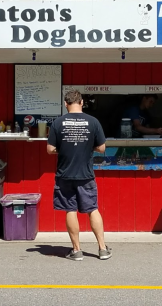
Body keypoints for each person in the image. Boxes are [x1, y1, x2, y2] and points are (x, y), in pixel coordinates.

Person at [47, 89, 112, 261]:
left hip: (65, 174)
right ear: (82, 102)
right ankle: (103, 249)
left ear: (65, 104)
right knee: (92, 209)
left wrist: (64, 147)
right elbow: (102, 147)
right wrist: (88, 146)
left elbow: (50, 149)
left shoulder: (58, 123)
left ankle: (77, 251)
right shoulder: (93, 122)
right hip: (86, 174)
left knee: (70, 209)